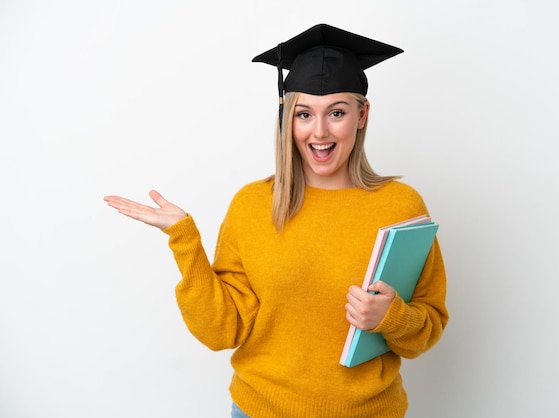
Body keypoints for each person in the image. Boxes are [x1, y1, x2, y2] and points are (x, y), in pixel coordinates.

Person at [104, 23, 448, 418]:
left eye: (337, 112)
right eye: (304, 114)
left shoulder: (400, 206)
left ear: (362, 114)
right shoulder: (252, 206)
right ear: (288, 119)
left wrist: (393, 317)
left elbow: (427, 326)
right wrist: (184, 239)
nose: (319, 132)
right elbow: (223, 331)